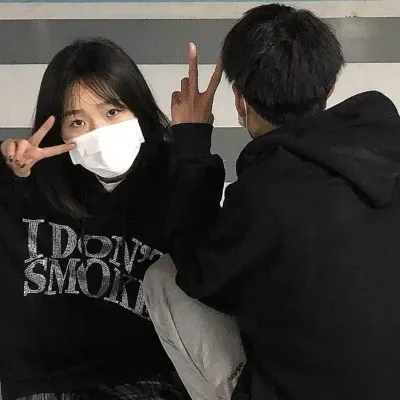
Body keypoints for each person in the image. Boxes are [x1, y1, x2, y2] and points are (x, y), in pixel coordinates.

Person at [147, 4, 400, 400]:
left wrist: (191, 142)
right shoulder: (388, 145)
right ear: (330, 87)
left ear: (238, 99)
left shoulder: (265, 194)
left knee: (164, 276)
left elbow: (198, 269)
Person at [0, 38, 222, 400]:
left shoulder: (175, 175)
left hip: (146, 377)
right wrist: (5, 170)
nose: (98, 132)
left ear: (138, 109)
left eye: (113, 112)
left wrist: (193, 141)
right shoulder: (26, 183)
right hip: (43, 383)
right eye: (77, 121)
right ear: (58, 132)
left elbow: (207, 262)